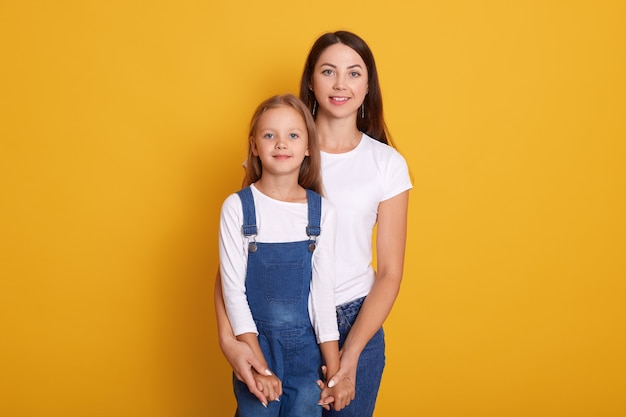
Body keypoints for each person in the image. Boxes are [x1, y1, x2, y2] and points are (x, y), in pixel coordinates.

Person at [215, 31, 412, 416]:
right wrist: (229, 340)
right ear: (311, 79)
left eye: (354, 73)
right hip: (272, 324)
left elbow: (389, 272)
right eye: (328, 71)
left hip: (355, 320)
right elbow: (233, 259)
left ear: (368, 85)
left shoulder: (387, 164)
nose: (340, 84)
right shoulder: (281, 149)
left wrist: (349, 354)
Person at [219, 94, 352, 417]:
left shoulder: (322, 212)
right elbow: (232, 292)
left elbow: (322, 296)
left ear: (308, 146)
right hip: (256, 349)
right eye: (269, 135)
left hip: (307, 357)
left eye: (293, 135)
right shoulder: (237, 207)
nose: (281, 144)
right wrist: (259, 367)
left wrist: (334, 374)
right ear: (254, 146)